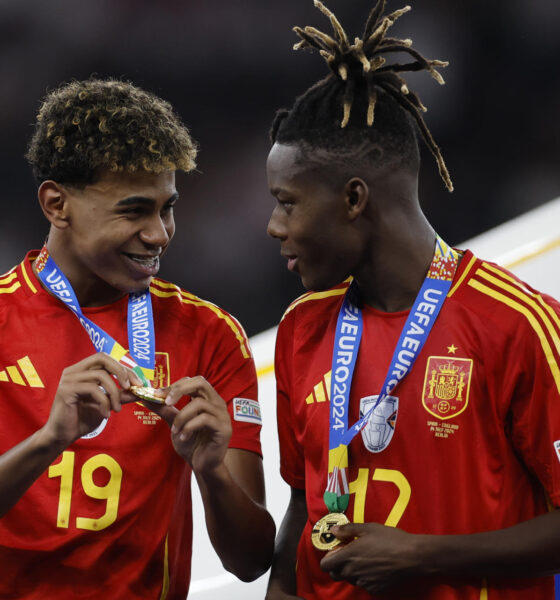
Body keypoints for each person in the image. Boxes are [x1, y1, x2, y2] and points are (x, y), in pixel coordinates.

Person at [264, 1, 560, 599]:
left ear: (353, 199)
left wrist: (421, 556)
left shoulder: (515, 323)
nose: (273, 225)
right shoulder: (302, 328)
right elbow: (305, 507)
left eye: (287, 201)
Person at [0, 78, 275, 599]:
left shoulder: (210, 335)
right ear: (56, 204)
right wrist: (48, 441)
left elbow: (252, 561)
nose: (159, 233)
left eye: (166, 207)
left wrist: (212, 473)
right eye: (133, 211)